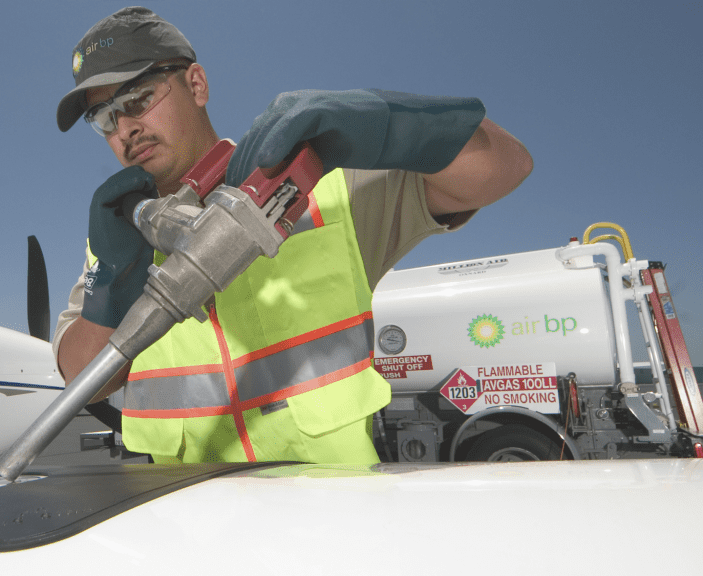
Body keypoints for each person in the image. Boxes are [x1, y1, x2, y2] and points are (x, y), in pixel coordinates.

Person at [52, 7, 533, 465]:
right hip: (184, 523)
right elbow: (83, 380)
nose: (125, 130)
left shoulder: (318, 185)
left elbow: (503, 169)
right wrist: (110, 283)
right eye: (105, 119)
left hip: (327, 517)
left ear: (196, 84)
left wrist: (385, 125)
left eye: (137, 99)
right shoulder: (117, 241)